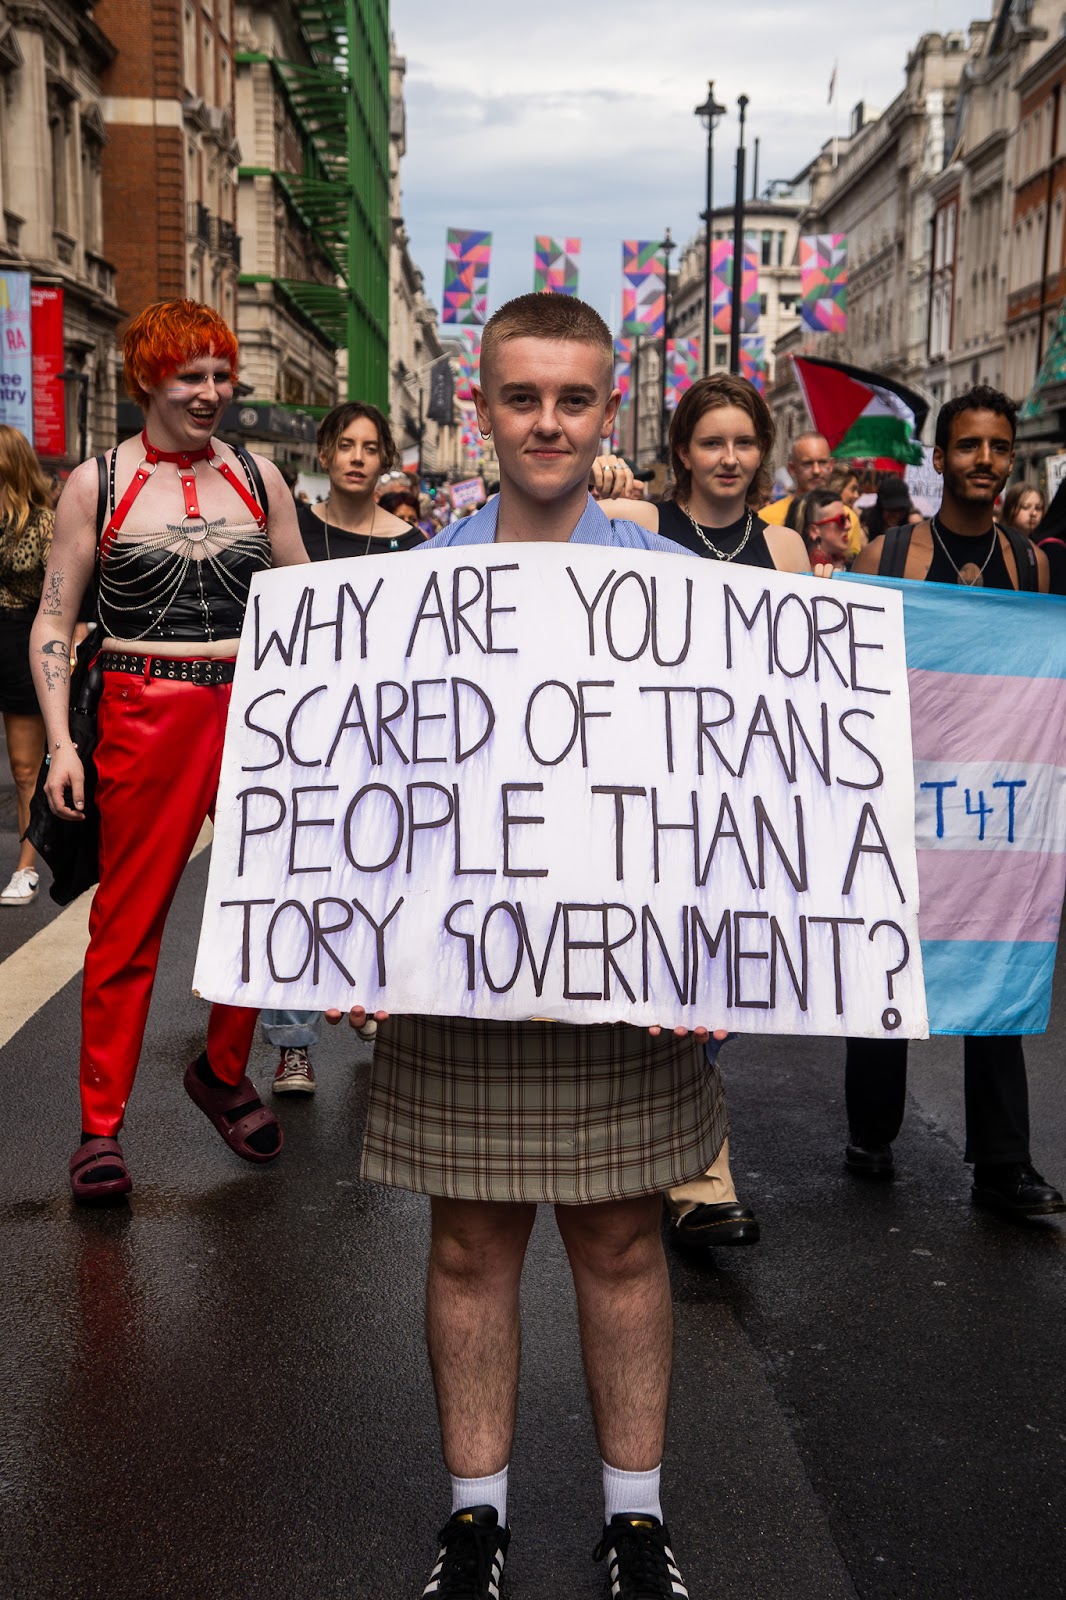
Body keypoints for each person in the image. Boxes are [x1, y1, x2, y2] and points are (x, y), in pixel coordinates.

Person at [334, 292, 728, 1599]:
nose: (547, 422)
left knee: (622, 1243)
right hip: (460, 975)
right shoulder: (411, 587)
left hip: (629, 980)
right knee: (468, 1247)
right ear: (483, 408)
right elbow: (373, 788)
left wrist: (716, 949)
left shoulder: (675, 586)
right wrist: (345, 942)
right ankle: (475, 1522)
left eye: (571, 399)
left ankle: (635, 1524)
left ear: (607, 410)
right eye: (522, 397)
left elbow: (717, 797)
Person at [31, 298, 308, 1202]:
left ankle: (224, 1072)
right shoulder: (96, 484)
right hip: (143, 708)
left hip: (258, 713)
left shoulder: (261, 478)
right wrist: (61, 745)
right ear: (148, 377)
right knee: (129, 919)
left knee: (268, 901)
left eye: (222, 375)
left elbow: (311, 605)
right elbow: (54, 621)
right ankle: (98, 1128)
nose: (211, 392)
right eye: (192, 375)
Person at [593, 373, 813, 1253]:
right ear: (681, 450)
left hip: (743, 797)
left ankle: (673, 1155)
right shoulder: (638, 523)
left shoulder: (785, 548)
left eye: (745, 442)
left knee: (717, 985)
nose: (730, 458)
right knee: (666, 978)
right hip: (651, 788)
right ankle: (700, 1177)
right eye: (713, 441)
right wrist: (601, 480)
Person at [848, 384, 1063, 1222]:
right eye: (969, 446)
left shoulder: (1032, 566)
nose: (985, 461)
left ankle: (1003, 1162)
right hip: (899, 796)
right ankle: (871, 1130)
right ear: (939, 459)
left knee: (998, 954)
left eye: (999, 448)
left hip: (994, 805)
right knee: (887, 950)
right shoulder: (888, 556)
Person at [262, 402, 424, 1095]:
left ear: (384, 460)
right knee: (296, 884)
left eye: (370, 446)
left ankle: (368, 999)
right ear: (324, 454)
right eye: (345, 445)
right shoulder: (289, 531)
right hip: (302, 736)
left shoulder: (413, 544)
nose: (357, 457)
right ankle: (293, 1044)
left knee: (375, 875)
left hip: (381, 737)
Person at [0, 425, 55, 905]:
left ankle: (26, 868)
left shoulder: (42, 522)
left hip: (20, 642)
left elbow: (59, 597)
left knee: (24, 769)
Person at [794, 487, 854, 571]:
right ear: (814, 531)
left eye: (848, 518)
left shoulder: (856, 565)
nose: (848, 526)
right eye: (841, 520)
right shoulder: (792, 571)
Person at [862, 475, 917, 543]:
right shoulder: (865, 534)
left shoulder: (909, 534)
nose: (897, 515)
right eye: (892, 510)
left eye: (902, 510)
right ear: (881, 508)